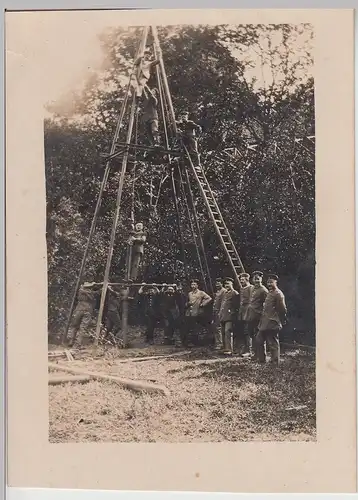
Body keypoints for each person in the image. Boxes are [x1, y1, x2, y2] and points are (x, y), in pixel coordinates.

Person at [256, 274, 287, 365]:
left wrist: (279, 319)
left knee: (272, 342)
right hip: (264, 322)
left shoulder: (278, 294)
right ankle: (261, 360)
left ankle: (275, 362)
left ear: (276, 282)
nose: (269, 284)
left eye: (271, 282)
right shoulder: (270, 292)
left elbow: (282, 309)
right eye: (268, 282)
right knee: (259, 340)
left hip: (273, 322)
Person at [68, 282, 102, 348]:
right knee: (83, 327)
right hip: (88, 310)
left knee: (74, 326)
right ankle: (78, 343)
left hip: (79, 309)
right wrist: (100, 286)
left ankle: (71, 341)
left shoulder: (80, 291)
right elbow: (99, 292)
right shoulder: (92, 293)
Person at [246, 271, 268, 358]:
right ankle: (255, 354)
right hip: (251, 316)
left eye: (258, 279)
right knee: (252, 335)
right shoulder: (252, 289)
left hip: (258, 316)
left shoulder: (263, 290)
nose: (256, 280)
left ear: (261, 279)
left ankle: (262, 355)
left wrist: (263, 314)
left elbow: (267, 304)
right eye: (255, 279)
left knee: (260, 337)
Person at [184, 279, 212, 347]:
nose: (193, 286)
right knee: (190, 327)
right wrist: (188, 304)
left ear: (197, 285)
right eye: (192, 284)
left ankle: (196, 342)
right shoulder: (190, 293)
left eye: (194, 284)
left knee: (196, 327)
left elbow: (209, 298)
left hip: (197, 312)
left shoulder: (201, 293)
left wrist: (202, 304)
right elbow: (187, 301)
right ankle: (190, 342)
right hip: (190, 312)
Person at [218, 277, 240, 355]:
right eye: (225, 284)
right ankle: (225, 348)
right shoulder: (225, 293)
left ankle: (229, 349)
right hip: (223, 315)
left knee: (228, 331)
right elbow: (222, 304)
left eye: (228, 283)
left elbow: (237, 305)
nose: (226, 285)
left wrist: (232, 313)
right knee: (223, 332)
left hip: (230, 316)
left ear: (232, 284)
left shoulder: (235, 293)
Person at [237, 273, 254, 355]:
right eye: (240, 280)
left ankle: (249, 350)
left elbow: (251, 301)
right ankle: (245, 348)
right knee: (244, 331)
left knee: (248, 331)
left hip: (248, 312)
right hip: (242, 313)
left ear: (247, 280)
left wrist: (249, 313)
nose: (241, 281)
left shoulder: (251, 288)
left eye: (243, 280)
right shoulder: (242, 289)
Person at [212, 278, 226, 350]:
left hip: (220, 312)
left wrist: (221, 312)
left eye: (218, 283)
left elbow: (223, 303)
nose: (217, 285)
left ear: (222, 284)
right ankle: (217, 343)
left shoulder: (223, 291)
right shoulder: (218, 291)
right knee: (215, 327)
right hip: (215, 311)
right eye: (216, 283)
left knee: (219, 328)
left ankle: (220, 343)